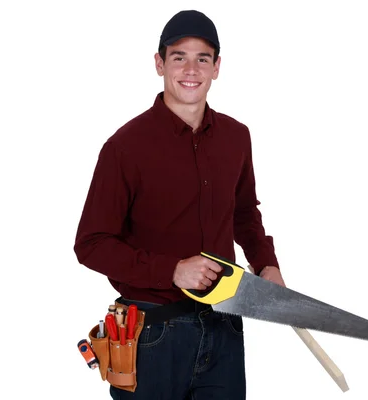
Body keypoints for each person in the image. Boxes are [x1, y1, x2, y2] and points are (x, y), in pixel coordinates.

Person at [74, 9, 285, 399]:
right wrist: (171, 270)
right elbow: (91, 243)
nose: (191, 68)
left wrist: (266, 263)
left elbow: (244, 214)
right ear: (159, 63)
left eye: (203, 58)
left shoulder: (237, 137)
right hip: (153, 336)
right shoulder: (125, 147)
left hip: (224, 327)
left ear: (217, 67)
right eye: (179, 57)